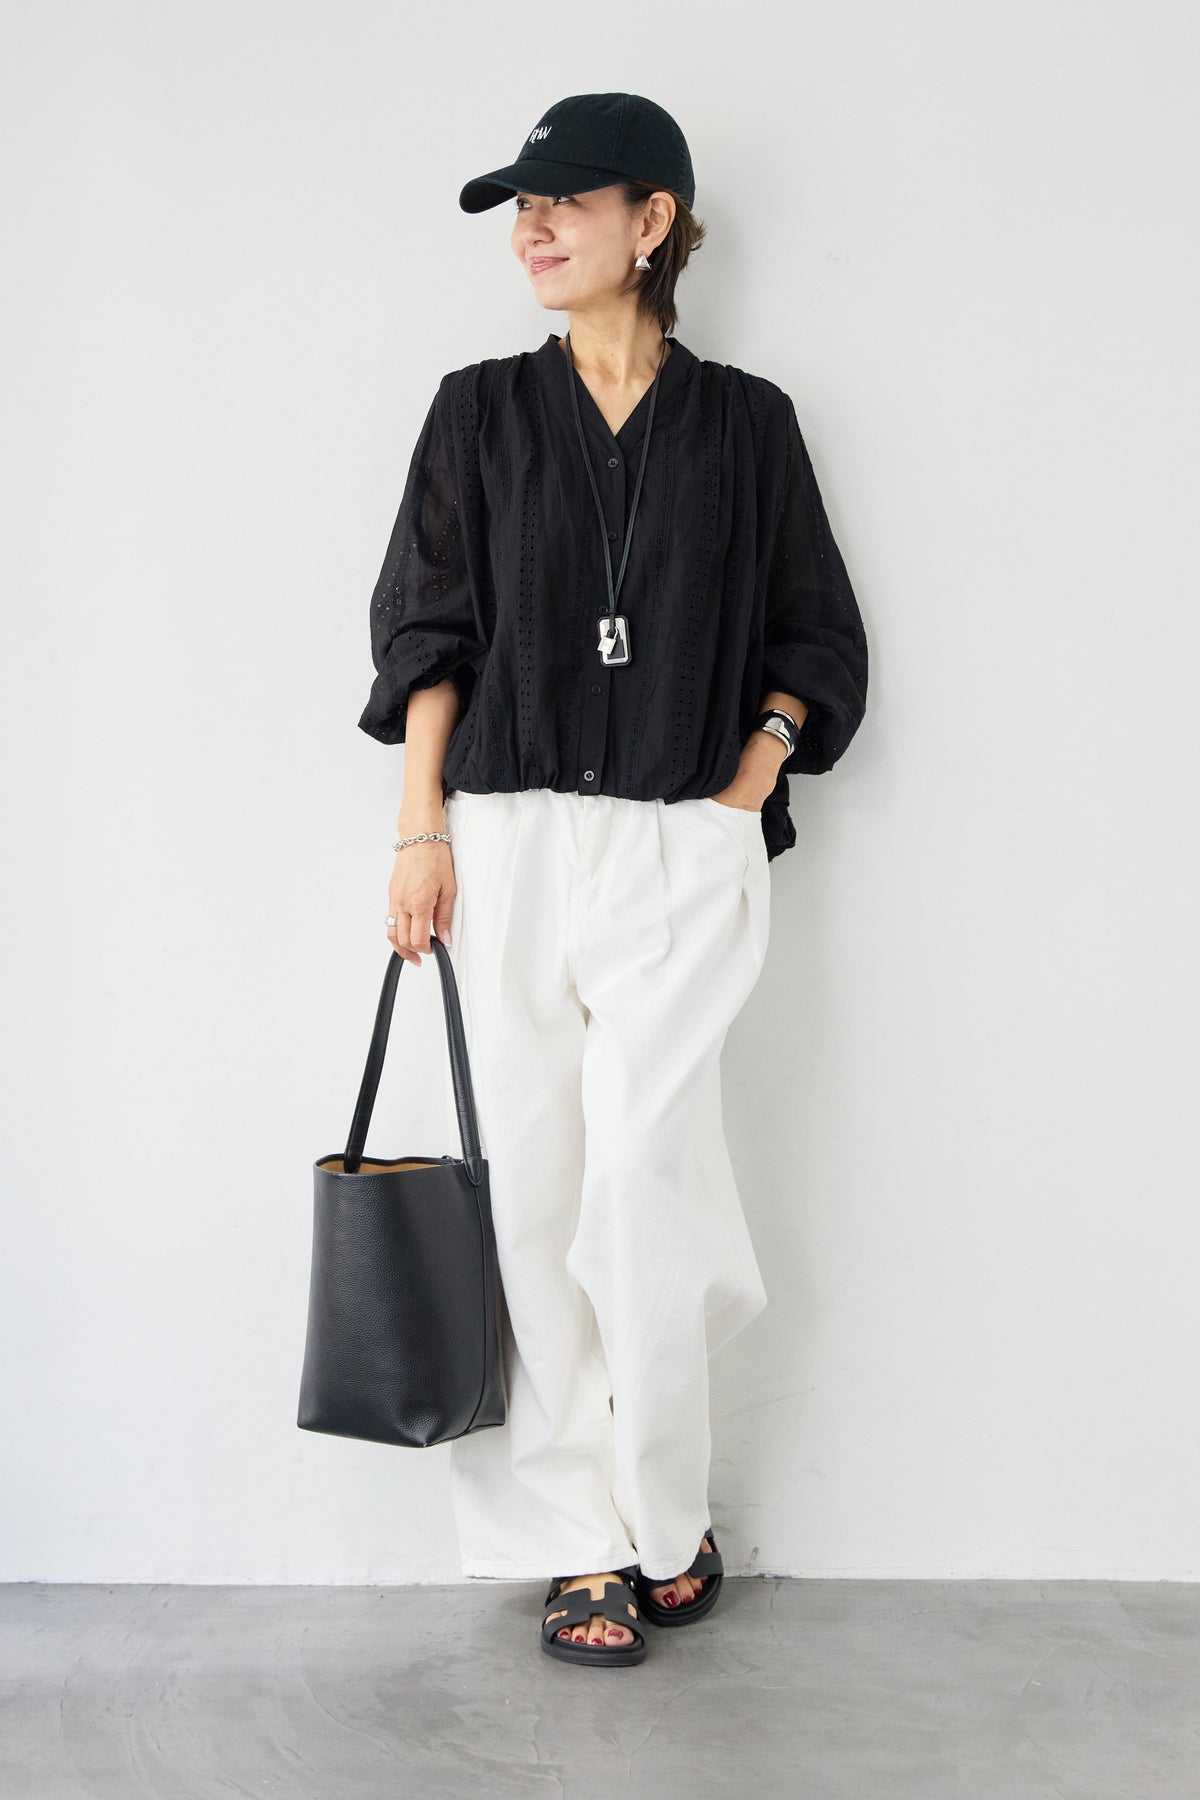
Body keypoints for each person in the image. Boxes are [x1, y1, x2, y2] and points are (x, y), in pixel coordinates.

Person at [357, 92, 868, 1668]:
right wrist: (421, 830)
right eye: (519, 207)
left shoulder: (748, 425)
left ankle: (667, 1508)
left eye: (564, 202)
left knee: (646, 1185)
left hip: (676, 843)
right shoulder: (477, 413)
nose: (531, 227)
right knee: (531, 1188)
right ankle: (580, 1540)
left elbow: (816, 633)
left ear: (653, 223)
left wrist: (745, 782)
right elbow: (428, 634)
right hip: (507, 835)